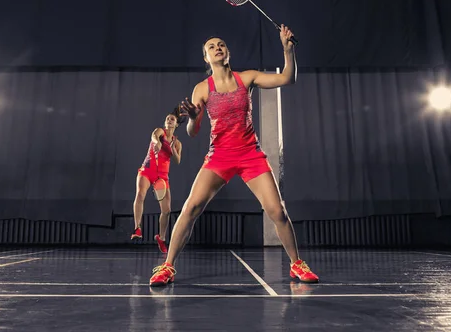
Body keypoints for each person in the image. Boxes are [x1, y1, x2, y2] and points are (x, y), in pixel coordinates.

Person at [149, 25, 319, 286]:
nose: (217, 48)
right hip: (219, 157)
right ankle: (168, 267)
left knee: (277, 211)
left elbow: (288, 78)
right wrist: (193, 118)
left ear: (227, 52)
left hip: (251, 154)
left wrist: (288, 51)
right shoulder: (201, 89)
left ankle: (297, 264)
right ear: (206, 58)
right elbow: (193, 132)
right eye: (211, 47)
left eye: (221, 45)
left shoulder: (247, 78)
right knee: (190, 208)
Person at [132, 106, 184, 253]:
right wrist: (158, 143)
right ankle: (137, 228)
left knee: (166, 211)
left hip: (162, 176)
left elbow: (177, 160)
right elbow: (154, 136)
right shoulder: (160, 132)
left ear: (176, 124)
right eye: (167, 119)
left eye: (172, 119)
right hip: (148, 170)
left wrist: (172, 148)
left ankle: (161, 238)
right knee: (140, 194)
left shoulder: (177, 143)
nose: (169, 121)